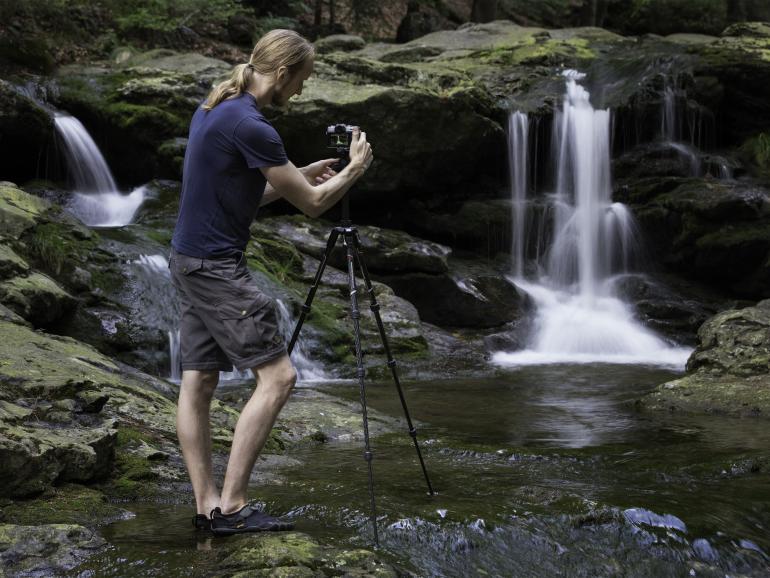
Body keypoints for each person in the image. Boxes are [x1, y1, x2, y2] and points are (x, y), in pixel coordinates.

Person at [169, 29, 373, 535]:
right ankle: (234, 506)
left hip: (189, 260)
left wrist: (297, 172)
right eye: (302, 80)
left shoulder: (217, 106)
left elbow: (244, 193)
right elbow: (314, 204)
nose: (302, 91)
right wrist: (355, 169)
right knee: (279, 377)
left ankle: (206, 508)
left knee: (198, 381)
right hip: (216, 268)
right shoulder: (253, 125)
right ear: (282, 74)